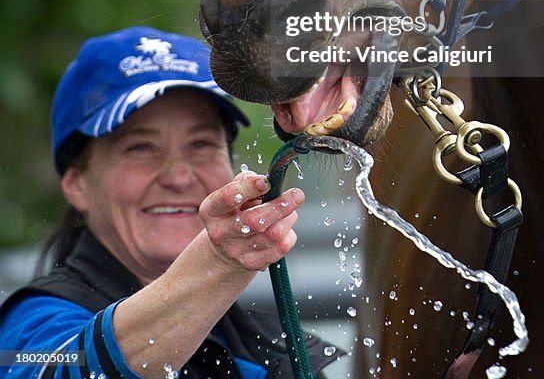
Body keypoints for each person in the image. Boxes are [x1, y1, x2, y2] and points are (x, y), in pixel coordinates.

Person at [0, 27, 340, 379]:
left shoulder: (270, 351)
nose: (178, 177)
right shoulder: (30, 327)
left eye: (201, 144)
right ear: (76, 183)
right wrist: (216, 264)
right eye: (141, 148)